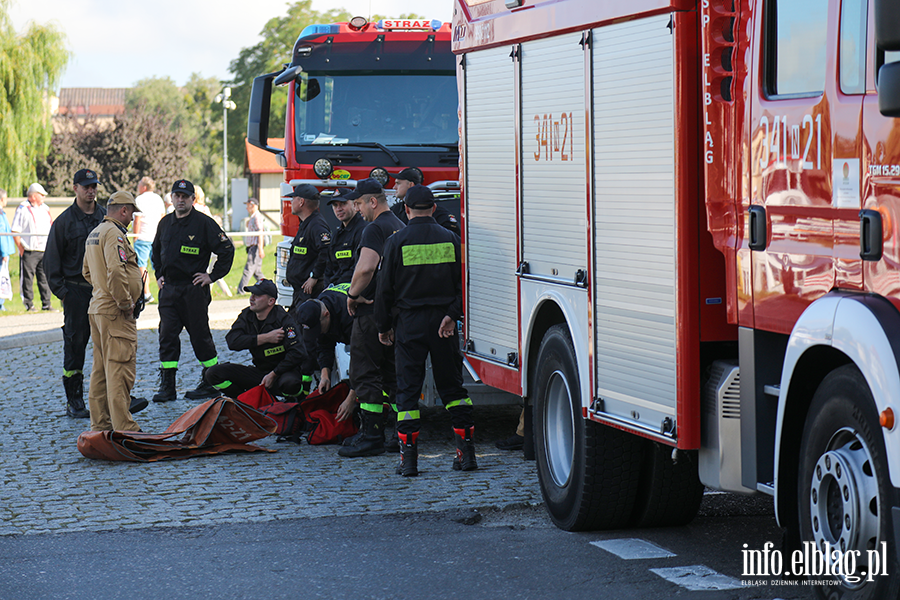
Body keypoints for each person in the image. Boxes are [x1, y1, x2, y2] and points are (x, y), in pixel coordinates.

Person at [375, 184, 475, 477]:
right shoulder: (452, 240)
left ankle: (409, 461)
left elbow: (384, 291)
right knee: (454, 389)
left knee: (407, 392)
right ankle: (466, 454)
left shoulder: (396, 242)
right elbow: (464, 286)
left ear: (406, 210)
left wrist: (383, 326)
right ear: (433, 208)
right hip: (443, 324)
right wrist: (451, 314)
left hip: (409, 325)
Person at [150, 179, 235, 403]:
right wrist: (159, 274)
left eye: (184, 196)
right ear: (171, 198)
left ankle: (211, 382)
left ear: (192, 199)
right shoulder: (165, 223)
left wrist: (212, 276)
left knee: (200, 337)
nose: (180, 200)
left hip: (193, 290)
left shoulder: (204, 223)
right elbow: (155, 250)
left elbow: (226, 249)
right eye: (176, 195)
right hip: (169, 290)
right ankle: (168, 386)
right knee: (166, 336)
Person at [338, 178, 405, 459]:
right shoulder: (400, 227)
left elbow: (365, 269)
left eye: (359, 203)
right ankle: (400, 435)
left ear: (373, 202)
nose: (357, 209)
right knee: (393, 376)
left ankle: (371, 435)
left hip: (370, 313)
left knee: (365, 373)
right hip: (395, 314)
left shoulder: (373, 229)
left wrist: (352, 295)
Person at [82, 190, 149, 432]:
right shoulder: (114, 234)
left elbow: (87, 272)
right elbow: (116, 270)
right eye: (131, 213)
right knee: (119, 368)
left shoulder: (95, 232)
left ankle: (100, 424)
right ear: (123, 210)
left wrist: (102, 291)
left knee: (100, 370)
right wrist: (124, 303)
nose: (132, 218)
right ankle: (125, 427)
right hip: (115, 312)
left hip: (98, 309)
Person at [43, 168, 107, 419]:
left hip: (102, 292)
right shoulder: (64, 222)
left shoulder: (104, 216)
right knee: (75, 346)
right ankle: (75, 400)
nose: (91, 191)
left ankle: (112, 396)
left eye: (94, 186)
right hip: (76, 292)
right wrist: (63, 293)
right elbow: (51, 261)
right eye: (86, 186)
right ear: (75, 188)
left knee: (109, 345)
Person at [204, 279, 307, 400]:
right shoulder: (247, 315)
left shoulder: (284, 319)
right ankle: (245, 401)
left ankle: (292, 402)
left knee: (290, 384)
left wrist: (274, 374)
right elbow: (232, 341)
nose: (252, 298)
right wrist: (265, 338)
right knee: (212, 374)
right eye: (251, 294)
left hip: (283, 373)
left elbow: (298, 352)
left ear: (271, 301)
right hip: (260, 372)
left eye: (257, 295)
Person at [285, 183, 331, 312]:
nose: (291, 202)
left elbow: (326, 250)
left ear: (301, 202)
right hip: (300, 292)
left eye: (293, 198)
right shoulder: (306, 223)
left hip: (309, 292)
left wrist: (314, 277)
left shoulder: (316, 225)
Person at [11, 183, 53, 311]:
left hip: (43, 249)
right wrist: (21, 248)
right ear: (34, 196)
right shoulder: (23, 209)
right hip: (29, 249)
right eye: (41, 195)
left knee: (44, 278)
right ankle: (29, 304)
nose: (44, 198)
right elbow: (15, 230)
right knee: (27, 278)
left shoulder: (45, 209)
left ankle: (46, 303)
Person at [388, 168, 460, 235]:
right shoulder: (395, 210)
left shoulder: (440, 214)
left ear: (411, 185)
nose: (394, 187)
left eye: (398, 183)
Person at [322, 188, 365, 288]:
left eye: (343, 204)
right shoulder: (337, 234)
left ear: (355, 205)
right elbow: (329, 267)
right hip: (335, 290)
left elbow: (358, 268)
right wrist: (328, 288)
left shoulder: (363, 230)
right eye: (335, 205)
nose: (339, 209)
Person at [132, 176, 165, 303]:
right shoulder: (158, 199)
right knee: (159, 265)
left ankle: (146, 293)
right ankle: (162, 290)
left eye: (139, 184)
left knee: (141, 265)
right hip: (157, 237)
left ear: (144, 187)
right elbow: (163, 217)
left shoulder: (139, 199)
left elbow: (137, 220)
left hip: (143, 236)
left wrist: (135, 237)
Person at [236, 197, 266, 292]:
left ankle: (241, 290)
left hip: (255, 247)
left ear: (253, 205)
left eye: (248, 206)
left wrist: (260, 248)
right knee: (257, 272)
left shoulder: (256, 217)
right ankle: (266, 286)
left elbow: (260, 232)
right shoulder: (253, 217)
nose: (246, 208)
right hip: (253, 247)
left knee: (248, 269)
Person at [0, 189, 14, 311]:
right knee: (1, 278)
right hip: (1, 253)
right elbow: (2, 234)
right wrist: (4, 253)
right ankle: (0, 303)